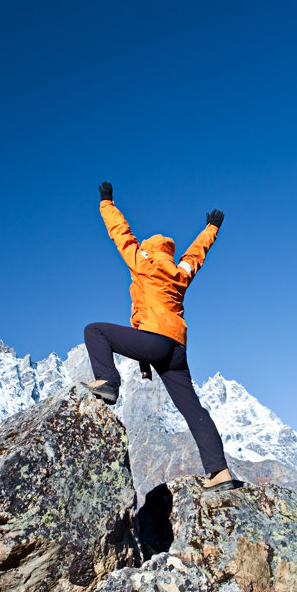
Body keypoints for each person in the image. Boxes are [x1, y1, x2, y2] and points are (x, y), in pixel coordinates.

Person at [83, 181, 235, 491]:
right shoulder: (181, 273)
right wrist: (211, 228)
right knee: (194, 410)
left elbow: (121, 235)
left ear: (150, 250)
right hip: (176, 349)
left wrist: (106, 203)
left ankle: (108, 381)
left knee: (94, 331)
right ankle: (220, 474)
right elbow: (197, 255)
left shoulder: (144, 262)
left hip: (154, 340)